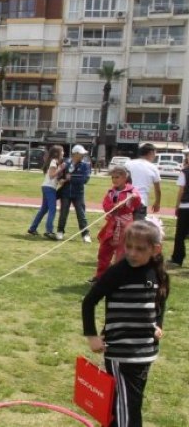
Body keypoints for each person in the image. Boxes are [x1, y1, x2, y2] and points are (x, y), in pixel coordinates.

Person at [82, 220, 169, 427]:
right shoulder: (117, 272)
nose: (131, 253)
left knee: (129, 401)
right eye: (128, 247)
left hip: (145, 351)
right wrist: (92, 336)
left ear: (155, 249)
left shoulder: (157, 272)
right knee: (127, 406)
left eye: (140, 249)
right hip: (121, 352)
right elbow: (89, 302)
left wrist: (158, 324)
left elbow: (161, 298)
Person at [89, 165, 142, 284]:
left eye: (117, 177)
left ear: (124, 177)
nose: (114, 180)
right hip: (112, 225)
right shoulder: (111, 192)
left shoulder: (131, 191)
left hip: (125, 225)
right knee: (104, 250)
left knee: (122, 252)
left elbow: (137, 202)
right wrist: (113, 207)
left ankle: (119, 278)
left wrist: (132, 198)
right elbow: (106, 206)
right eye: (112, 177)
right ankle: (100, 276)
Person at [56, 144, 92, 243]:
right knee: (63, 213)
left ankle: (85, 234)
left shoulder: (85, 165)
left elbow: (85, 179)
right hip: (66, 193)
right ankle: (60, 231)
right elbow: (59, 175)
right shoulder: (66, 163)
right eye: (81, 154)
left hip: (78, 193)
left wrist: (72, 178)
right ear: (75, 154)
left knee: (81, 215)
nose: (83, 155)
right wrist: (61, 179)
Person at [27, 145, 64, 240]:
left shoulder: (55, 162)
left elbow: (54, 177)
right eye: (62, 151)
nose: (63, 153)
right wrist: (61, 169)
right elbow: (52, 175)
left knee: (44, 209)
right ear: (57, 153)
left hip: (47, 187)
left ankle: (32, 228)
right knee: (52, 209)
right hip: (49, 188)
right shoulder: (54, 162)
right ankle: (49, 231)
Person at [126, 143, 161, 220]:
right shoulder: (153, 168)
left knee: (124, 226)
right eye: (155, 153)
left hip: (126, 199)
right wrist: (157, 203)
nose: (155, 156)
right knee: (138, 229)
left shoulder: (128, 164)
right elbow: (157, 189)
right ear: (151, 153)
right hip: (141, 201)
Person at [167, 153, 189, 267]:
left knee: (180, 234)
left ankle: (177, 258)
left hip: (185, 206)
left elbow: (181, 190)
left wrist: (177, 206)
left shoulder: (185, 172)